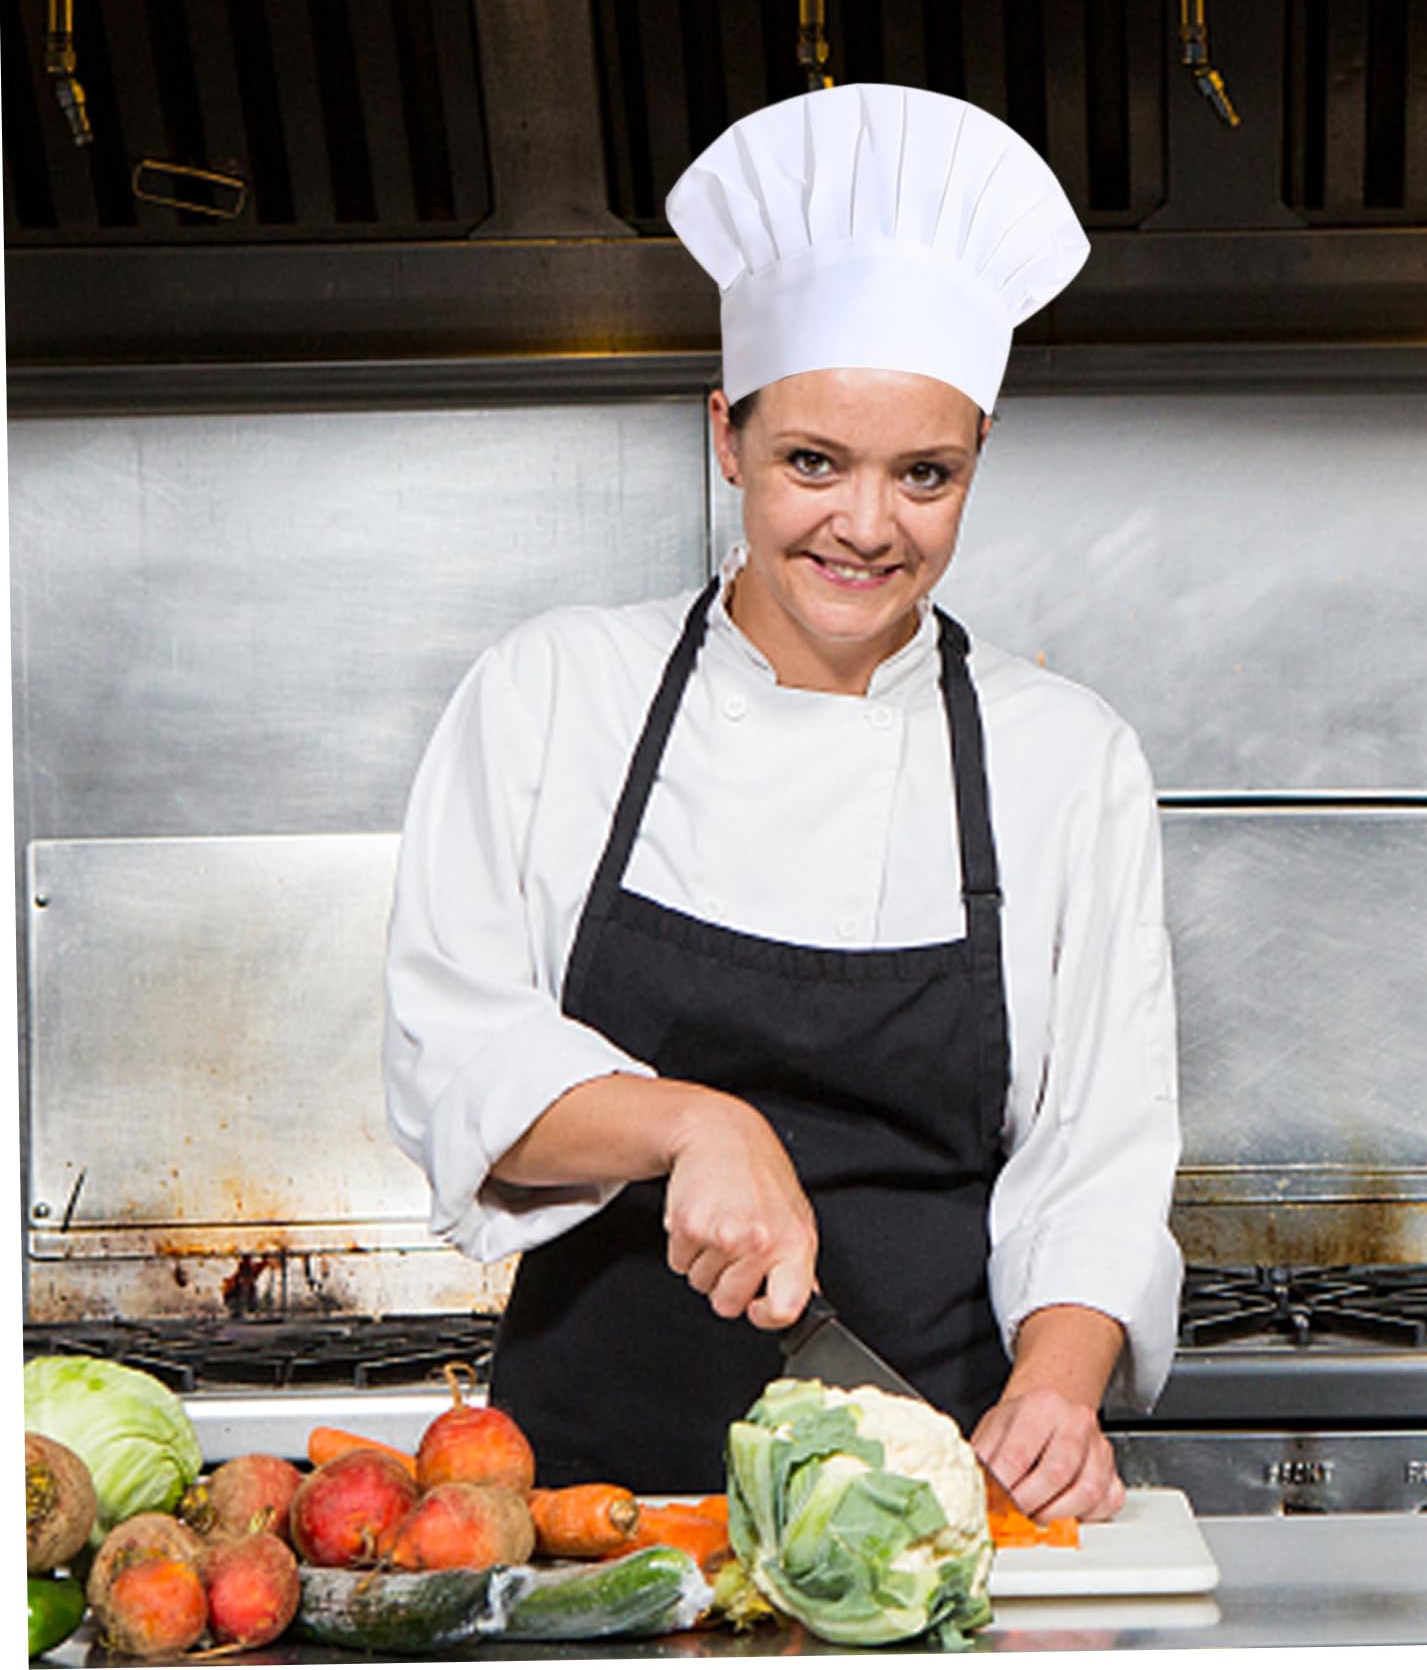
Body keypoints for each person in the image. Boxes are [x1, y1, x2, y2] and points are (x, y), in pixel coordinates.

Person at [384, 83, 1182, 1522]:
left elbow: (1098, 1146)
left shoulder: (1067, 755)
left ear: (976, 463)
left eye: (922, 474)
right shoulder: (554, 691)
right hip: (586, 1502)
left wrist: (1058, 1383)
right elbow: (456, 1060)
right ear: (725, 436)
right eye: (813, 460)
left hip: (920, 1501)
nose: (865, 526)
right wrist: (690, 1120)